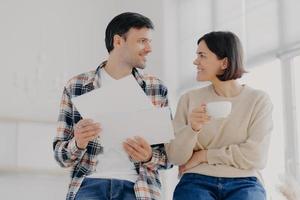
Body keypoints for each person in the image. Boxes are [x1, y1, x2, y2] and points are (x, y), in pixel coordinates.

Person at [53, 12, 171, 200]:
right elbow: (60, 157)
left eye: (149, 42)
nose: (149, 49)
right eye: (142, 41)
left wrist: (149, 156)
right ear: (118, 42)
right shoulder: (76, 86)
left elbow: (169, 157)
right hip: (89, 184)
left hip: (139, 188)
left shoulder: (156, 89)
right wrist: (78, 142)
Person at [166, 31, 273, 200]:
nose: (196, 61)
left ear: (224, 63)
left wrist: (203, 155)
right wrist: (192, 129)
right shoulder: (189, 99)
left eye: (202, 55)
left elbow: (256, 156)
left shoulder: (257, 100)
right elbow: (175, 157)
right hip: (196, 179)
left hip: (245, 181)